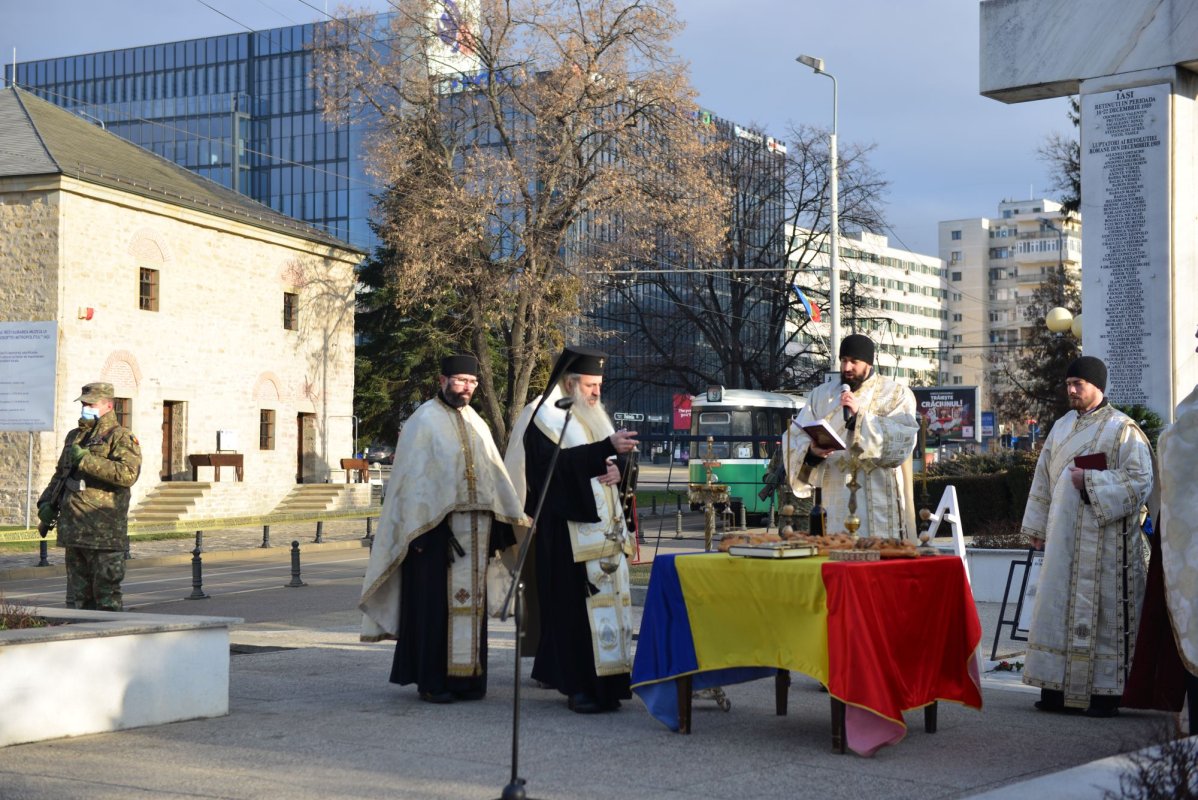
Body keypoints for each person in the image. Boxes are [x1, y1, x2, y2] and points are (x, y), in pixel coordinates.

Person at [359, 354, 529, 704]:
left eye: (472, 382)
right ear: (442, 381)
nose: (466, 388)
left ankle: (468, 681)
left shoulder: (477, 421)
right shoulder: (424, 421)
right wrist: (424, 534)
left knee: (473, 608)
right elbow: (412, 486)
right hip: (435, 538)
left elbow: (493, 478)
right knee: (435, 611)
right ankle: (434, 681)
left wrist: (500, 528)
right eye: (460, 380)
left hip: (477, 534)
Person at [504, 345, 640, 714]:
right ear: (569, 382)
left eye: (599, 385)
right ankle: (579, 687)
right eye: (590, 385)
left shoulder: (594, 415)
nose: (597, 392)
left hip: (605, 538)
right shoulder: (545, 417)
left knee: (608, 611)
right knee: (575, 616)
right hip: (567, 536)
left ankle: (609, 686)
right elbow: (550, 471)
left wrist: (619, 469)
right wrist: (602, 453)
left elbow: (612, 461)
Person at [1021, 356, 1154, 717]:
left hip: (1105, 547)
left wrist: (1092, 482)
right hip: (1063, 541)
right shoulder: (1061, 427)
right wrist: (1036, 527)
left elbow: (1141, 481)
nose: (1071, 390)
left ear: (1098, 386)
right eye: (1068, 384)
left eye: (1078, 383)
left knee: (1103, 619)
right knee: (1057, 609)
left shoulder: (1122, 429)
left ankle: (1104, 695)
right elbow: (1043, 479)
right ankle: (1055, 690)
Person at [782, 334, 918, 539]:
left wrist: (860, 418)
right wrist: (811, 452)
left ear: (869, 363)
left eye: (854, 362)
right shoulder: (821, 395)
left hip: (878, 502)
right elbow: (794, 436)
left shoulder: (896, 394)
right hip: (835, 497)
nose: (846, 368)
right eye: (843, 360)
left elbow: (904, 441)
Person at [37, 382, 142, 611]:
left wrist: (86, 460)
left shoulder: (121, 437)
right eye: (84, 403)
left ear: (108, 405)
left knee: (106, 602)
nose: (85, 407)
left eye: (91, 403)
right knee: (77, 602)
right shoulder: (75, 436)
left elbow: (128, 474)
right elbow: (60, 474)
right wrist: (46, 502)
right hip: (74, 532)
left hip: (103, 534)